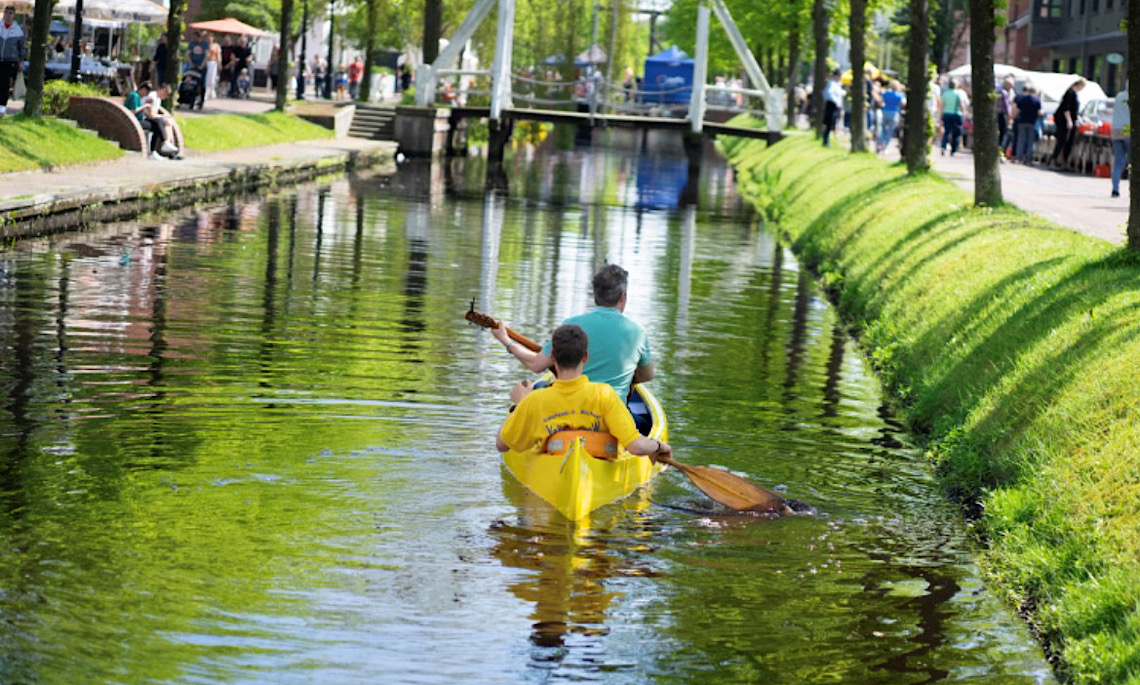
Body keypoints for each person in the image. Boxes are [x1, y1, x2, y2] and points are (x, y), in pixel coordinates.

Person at [495, 324, 671, 462]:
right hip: (596, 469)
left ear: (553, 357)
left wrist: (519, 405)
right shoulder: (604, 394)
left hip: (552, 468)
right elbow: (636, 446)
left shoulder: (534, 400)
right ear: (585, 357)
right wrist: (660, 446)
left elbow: (501, 445)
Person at [492, 264, 654, 407]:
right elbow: (647, 375)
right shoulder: (638, 333)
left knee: (540, 387)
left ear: (595, 295)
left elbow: (536, 364)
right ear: (622, 296)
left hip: (571, 410)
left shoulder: (571, 326)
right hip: (612, 414)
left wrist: (506, 340)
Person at [125, 81, 177, 159]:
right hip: (133, 120)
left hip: (138, 120)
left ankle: (156, 150)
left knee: (157, 125)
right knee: (157, 123)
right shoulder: (135, 96)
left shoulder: (139, 97)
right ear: (143, 89)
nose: (146, 95)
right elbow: (133, 111)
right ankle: (162, 145)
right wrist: (146, 106)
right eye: (146, 92)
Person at [1050, 77, 1085, 170]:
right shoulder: (1070, 93)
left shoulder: (1074, 93)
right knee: (1062, 141)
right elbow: (1066, 108)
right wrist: (1069, 120)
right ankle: (1055, 160)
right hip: (1064, 121)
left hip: (1070, 120)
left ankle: (1062, 161)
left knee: (1068, 142)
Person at [143, 83, 181, 158]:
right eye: (167, 94)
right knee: (159, 122)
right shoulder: (152, 97)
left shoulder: (158, 99)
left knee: (167, 122)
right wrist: (163, 116)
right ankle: (165, 144)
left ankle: (169, 145)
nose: (167, 97)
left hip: (150, 119)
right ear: (163, 90)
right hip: (144, 118)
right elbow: (150, 114)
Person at [0, 5, 24, 117]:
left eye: (10, 13)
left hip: (10, 61)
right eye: (6, 13)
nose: (8, 16)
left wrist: (21, 61)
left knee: (4, 84)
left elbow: (21, 48)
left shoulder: (17, 30)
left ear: (14, 15)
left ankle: (2, 107)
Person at [1011, 85, 1042, 165]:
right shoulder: (1037, 100)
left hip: (1022, 121)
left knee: (1021, 140)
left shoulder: (1023, 99)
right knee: (1030, 141)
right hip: (1032, 122)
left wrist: (1012, 117)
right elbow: (1039, 113)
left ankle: (1019, 158)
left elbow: (1017, 110)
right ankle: (1028, 160)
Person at [940, 78, 970, 156]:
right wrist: (965, 112)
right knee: (955, 133)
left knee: (946, 131)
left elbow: (942, 106)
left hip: (947, 114)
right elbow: (961, 104)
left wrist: (941, 116)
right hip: (956, 114)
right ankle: (953, 149)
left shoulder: (945, 94)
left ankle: (943, 146)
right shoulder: (958, 94)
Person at [1111, 87, 1129, 198]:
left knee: (1118, 161)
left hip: (1116, 128)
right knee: (1133, 162)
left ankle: (1115, 189)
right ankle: (1132, 189)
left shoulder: (1119, 96)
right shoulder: (1134, 97)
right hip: (1128, 128)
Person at [877, 81, 904, 154]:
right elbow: (903, 103)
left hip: (885, 112)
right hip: (894, 113)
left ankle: (879, 145)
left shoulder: (885, 93)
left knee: (883, 130)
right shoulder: (898, 95)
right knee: (890, 131)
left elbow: (880, 102)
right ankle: (884, 147)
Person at [821, 68, 844, 147]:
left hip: (834, 105)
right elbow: (829, 94)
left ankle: (827, 140)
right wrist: (836, 101)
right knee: (828, 123)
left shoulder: (836, 84)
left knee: (831, 123)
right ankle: (825, 140)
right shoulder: (831, 83)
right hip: (832, 105)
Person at [997, 76, 1016, 157]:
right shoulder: (1001, 92)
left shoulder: (1011, 92)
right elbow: (1006, 106)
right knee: (1002, 133)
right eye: (1011, 85)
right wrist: (1009, 117)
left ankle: (1000, 151)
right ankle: (999, 151)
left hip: (1005, 115)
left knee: (1004, 133)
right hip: (1000, 114)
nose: (1012, 87)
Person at [204, 35, 220, 100]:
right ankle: (206, 92)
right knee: (206, 78)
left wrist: (219, 63)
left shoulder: (216, 45)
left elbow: (218, 55)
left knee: (212, 78)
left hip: (213, 62)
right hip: (206, 62)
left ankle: (212, 91)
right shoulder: (205, 45)